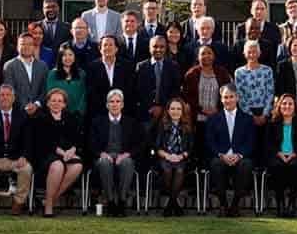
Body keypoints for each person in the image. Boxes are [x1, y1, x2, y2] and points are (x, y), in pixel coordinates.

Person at [0, 84, 34, 216]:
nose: (5, 98)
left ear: (13, 98)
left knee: (26, 169)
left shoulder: (23, 115)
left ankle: (18, 203)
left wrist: (24, 156)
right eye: (1, 95)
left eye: (8, 95)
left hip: (15, 158)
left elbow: (28, 140)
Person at [206, 84, 255, 217]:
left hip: (239, 158)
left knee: (246, 164)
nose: (228, 100)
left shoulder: (247, 119)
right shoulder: (213, 119)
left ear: (237, 98)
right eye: (225, 97)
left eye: (231, 97)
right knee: (215, 164)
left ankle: (235, 205)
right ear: (221, 99)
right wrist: (221, 155)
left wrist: (239, 155)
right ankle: (223, 205)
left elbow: (250, 142)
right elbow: (210, 141)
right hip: (221, 157)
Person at [91, 89, 142, 217]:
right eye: (111, 101)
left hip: (123, 156)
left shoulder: (131, 122)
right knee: (104, 162)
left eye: (118, 101)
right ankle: (110, 202)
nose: (114, 104)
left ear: (122, 104)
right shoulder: (97, 122)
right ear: (107, 105)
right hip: (104, 157)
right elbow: (91, 143)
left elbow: (140, 144)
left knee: (127, 162)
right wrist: (101, 153)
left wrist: (127, 154)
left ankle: (121, 201)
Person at [35, 88, 84, 217]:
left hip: (67, 152)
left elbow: (77, 138)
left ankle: (49, 200)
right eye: (53, 101)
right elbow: (44, 141)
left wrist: (73, 149)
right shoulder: (41, 118)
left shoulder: (71, 117)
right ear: (48, 103)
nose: (56, 103)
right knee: (58, 166)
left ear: (64, 104)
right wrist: (63, 153)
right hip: (47, 154)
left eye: (59, 101)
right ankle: (48, 208)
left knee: (77, 165)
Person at [182, 45, 232, 157]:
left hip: (218, 117)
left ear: (214, 56)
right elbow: (187, 96)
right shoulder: (191, 74)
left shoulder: (222, 72)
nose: (206, 56)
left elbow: (228, 93)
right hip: (198, 118)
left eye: (209, 53)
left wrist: (218, 109)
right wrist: (201, 109)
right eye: (203, 53)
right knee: (199, 149)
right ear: (198, 57)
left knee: (214, 149)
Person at [265, 93, 297, 218]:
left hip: (296, 156)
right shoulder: (272, 123)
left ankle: (291, 204)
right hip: (277, 155)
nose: (287, 106)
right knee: (277, 167)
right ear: (279, 106)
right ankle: (280, 204)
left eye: (290, 104)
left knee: (295, 166)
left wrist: (294, 153)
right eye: (284, 103)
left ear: (295, 107)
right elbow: (268, 143)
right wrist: (278, 153)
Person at [234, 40, 274, 164]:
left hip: (264, 112)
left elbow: (270, 92)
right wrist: (251, 116)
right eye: (249, 52)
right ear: (244, 54)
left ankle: (263, 169)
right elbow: (240, 95)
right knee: (249, 143)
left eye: (255, 52)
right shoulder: (239, 72)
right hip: (247, 112)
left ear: (259, 53)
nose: (252, 54)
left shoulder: (267, 70)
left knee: (265, 143)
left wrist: (265, 114)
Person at [153, 97, 193, 217]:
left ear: (183, 111)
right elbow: (157, 147)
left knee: (179, 170)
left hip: (182, 158)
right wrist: (168, 156)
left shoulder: (188, 126)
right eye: (173, 109)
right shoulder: (161, 125)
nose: (175, 111)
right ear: (168, 110)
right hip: (164, 157)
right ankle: (174, 204)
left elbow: (190, 148)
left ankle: (170, 204)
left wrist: (181, 156)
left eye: (178, 109)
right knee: (167, 170)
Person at [135, 35, 182, 127]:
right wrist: (150, 108)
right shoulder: (141, 67)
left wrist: (163, 108)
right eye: (155, 46)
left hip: (167, 114)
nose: (158, 50)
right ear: (149, 48)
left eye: (162, 47)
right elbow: (137, 91)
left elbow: (175, 91)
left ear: (166, 48)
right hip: (145, 114)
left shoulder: (173, 66)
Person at [85, 35, 134, 121]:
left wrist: (118, 106)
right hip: (99, 113)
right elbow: (91, 92)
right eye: (105, 45)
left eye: (111, 45)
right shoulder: (92, 67)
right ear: (100, 49)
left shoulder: (127, 66)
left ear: (116, 49)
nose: (108, 47)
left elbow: (130, 90)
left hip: (123, 113)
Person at [3, 33, 49, 118]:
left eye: (30, 44)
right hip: (18, 113)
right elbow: (10, 90)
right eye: (23, 44)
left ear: (34, 46)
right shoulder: (9, 66)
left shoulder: (43, 66)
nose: (26, 47)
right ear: (17, 47)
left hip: (39, 113)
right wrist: (25, 106)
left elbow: (45, 89)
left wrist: (36, 104)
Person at [46, 43, 87, 118]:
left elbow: (84, 95)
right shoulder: (52, 74)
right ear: (60, 57)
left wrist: (79, 112)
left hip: (78, 115)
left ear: (74, 57)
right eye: (64, 55)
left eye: (70, 55)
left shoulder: (82, 74)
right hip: (58, 115)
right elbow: (50, 95)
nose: (68, 58)